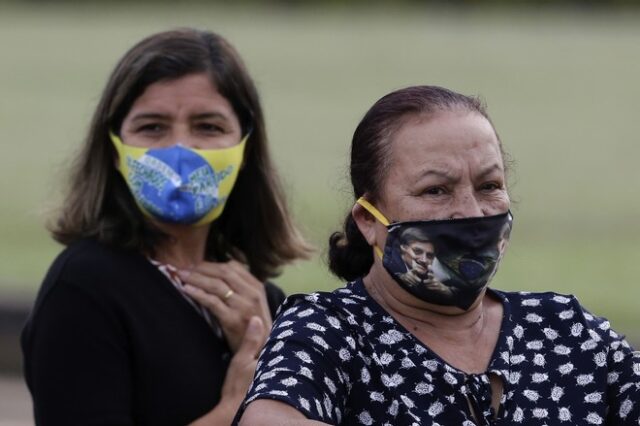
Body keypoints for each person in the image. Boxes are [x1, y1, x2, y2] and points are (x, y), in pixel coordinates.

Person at [236, 86, 640, 425]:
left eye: (488, 186)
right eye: (436, 190)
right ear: (368, 219)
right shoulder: (329, 331)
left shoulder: (567, 331)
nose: (470, 212)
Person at [21, 28, 311, 426]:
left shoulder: (260, 300)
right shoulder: (84, 288)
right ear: (116, 151)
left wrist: (267, 352)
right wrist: (234, 411)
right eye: (152, 127)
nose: (180, 149)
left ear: (244, 147)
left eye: (207, 127)